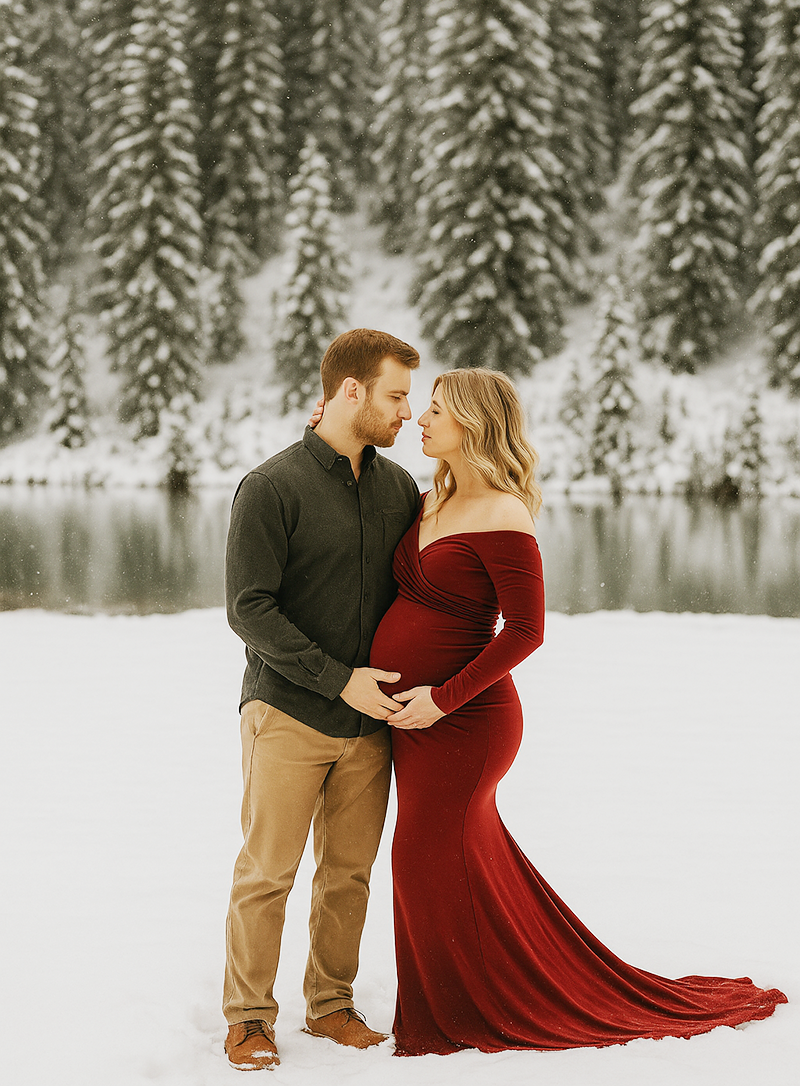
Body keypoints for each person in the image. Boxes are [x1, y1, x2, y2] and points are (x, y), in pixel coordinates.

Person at [370, 367, 787, 1056]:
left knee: (423, 857)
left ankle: (459, 1014)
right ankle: (468, 998)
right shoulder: (428, 498)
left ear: (473, 422)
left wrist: (441, 700)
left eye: (436, 410)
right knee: (449, 860)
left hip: (466, 722)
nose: (421, 419)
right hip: (417, 720)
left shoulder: (504, 512)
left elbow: (526, 630)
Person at [222, 329, 420, 1071]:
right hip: (286, 712)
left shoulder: (400, 490)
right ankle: (248, 1018)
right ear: (350, 391)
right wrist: (338, 678)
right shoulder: (271, 487)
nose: (407, 412)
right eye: (396, 395)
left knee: (349, 874)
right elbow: (249, 609)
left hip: (371, 724)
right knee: (266, 873)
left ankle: (331, 1005)